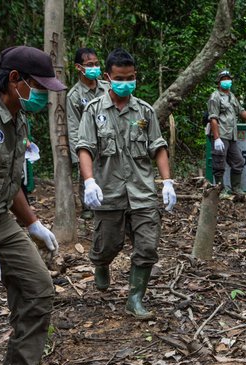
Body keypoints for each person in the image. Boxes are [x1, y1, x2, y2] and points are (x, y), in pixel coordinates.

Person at [76, 48, 177, 320]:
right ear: (108, 77)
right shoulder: (94, 110)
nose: (126, 82)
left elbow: (158, 146)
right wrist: (89, 182)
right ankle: (100, 262)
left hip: (142, 191)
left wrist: (167, 182)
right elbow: (85, 147)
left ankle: (135, 299)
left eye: (130, 77)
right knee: (108, 244)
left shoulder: (144, 111)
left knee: (147, 247)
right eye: (120, 78)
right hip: (108, 191)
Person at [0, 46, 65, 365]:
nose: (42, 96)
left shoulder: (18, 115)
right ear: (16, 79)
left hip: (0, 219)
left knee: (38, 288)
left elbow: (9, 178)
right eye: (39, 86)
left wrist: (33, 223)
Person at [67, 47, 109, 220]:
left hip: (108, 139)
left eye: (97, 64)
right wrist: (77, 156)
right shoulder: (74, 95)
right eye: (90, 64)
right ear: (79, 67)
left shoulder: (107, 88)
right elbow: (73, 126)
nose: (95, 67)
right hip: (87, 142)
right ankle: (88, 207)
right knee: (87, 174)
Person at [208, 70, 246, 196]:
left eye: (228, 78)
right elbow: (213, 118)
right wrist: (216, 138)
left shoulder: (231, 96)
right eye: (224, 79)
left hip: (231, 135)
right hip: (221, 134)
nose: (227, 81)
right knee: (219, 163)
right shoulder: (215, 96)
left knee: (238, 161)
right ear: (218, 82)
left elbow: (241, 111)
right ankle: (220, 189)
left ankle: (236, 188)